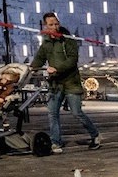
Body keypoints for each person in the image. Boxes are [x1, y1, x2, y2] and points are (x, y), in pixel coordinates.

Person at [31, 12, 100, 153]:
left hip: (71, 82)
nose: (55, 27)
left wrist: (56, 69)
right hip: (55, 84)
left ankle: (95, 135)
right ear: (46, 26)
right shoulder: (46, 43)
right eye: (51, 24)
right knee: (53, 113)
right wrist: (31, 69)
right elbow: (39, 58)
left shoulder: (68, 40)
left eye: (56, 23)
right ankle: (56, 142)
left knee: (77, 113)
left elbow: (72, 60)